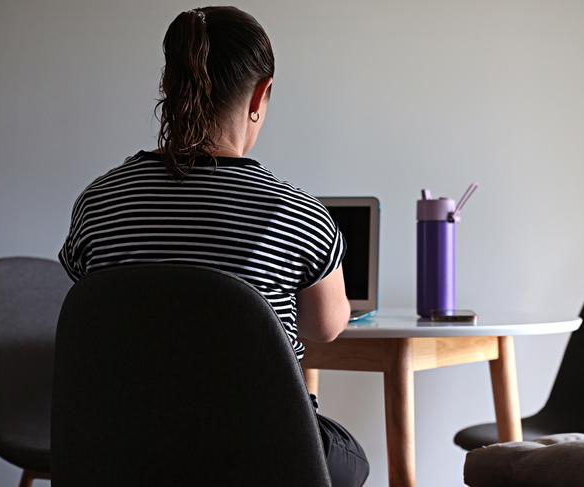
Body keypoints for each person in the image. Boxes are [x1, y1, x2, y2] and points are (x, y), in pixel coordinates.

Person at [58, 6, 369, 486]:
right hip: (259, 455)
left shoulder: (99, 203)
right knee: (349, 458)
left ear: (168, 85)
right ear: (261, 95)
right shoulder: (297, 213)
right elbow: (324, 328)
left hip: (120, 451)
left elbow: (101, 313)